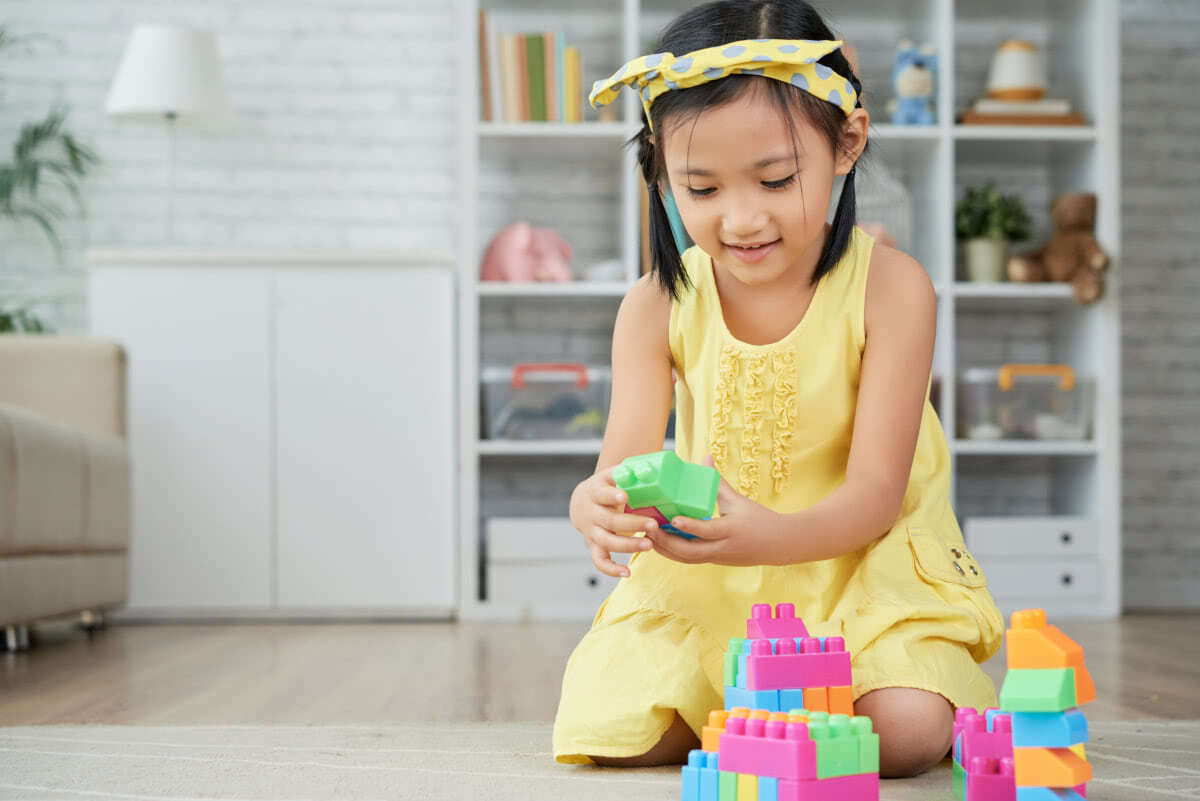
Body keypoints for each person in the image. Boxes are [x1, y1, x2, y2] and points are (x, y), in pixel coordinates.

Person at [552, 0, 1004, 779]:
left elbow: (873, 494)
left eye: (775, 178)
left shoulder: (892, 288)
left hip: (862, 569)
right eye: (702, 189)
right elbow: (619, 469)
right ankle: (759, 711)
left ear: (846, 143)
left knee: (897, 734)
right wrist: (590, 506)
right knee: (610, 728)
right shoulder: (656, 302)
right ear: (662, 175)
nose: (742, 218)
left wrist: (766, 534)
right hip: (716, 577)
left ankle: (766, 713)